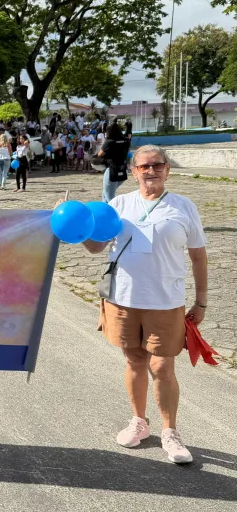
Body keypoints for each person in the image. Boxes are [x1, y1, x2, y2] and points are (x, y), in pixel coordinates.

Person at [78, 145, 207, 464]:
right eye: (144, 166)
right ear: (133, 172)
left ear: (167, 169)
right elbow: (96, 248)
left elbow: (198, 256)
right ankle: (139, 421)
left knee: (162, 366)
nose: (151, 171)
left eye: (157, 165)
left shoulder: (183, 207)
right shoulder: (119, 204)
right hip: (124, 299)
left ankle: (170, 431)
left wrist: (201, 300)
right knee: (134, 361)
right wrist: (77, 227)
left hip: (165, 302)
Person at [98, 122, 130, 203]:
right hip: (123, 169)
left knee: (110, 197)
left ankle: (112, 212)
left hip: (112, 170)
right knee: (105, 193)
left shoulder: (109, 142)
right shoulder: (126, 140)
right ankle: (105, 210)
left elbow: (100, 154)